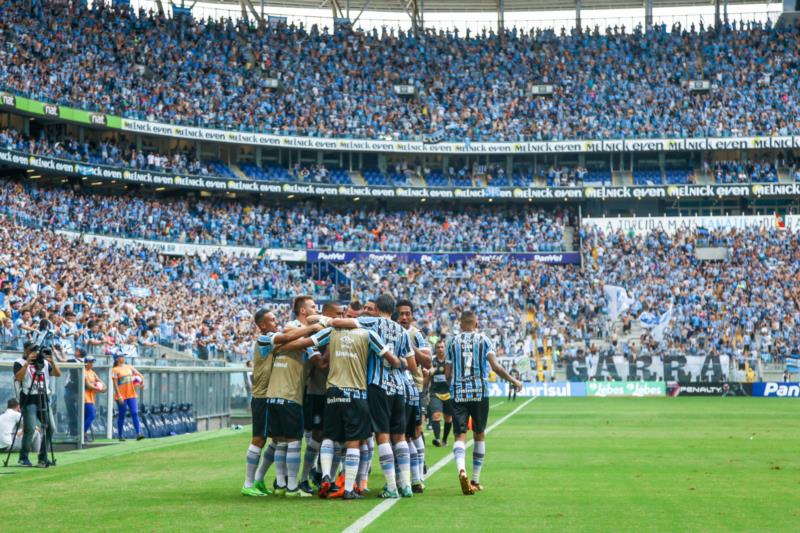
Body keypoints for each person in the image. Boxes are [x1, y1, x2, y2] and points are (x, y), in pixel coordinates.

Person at [289, 304, 398, 500]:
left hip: (332, 393)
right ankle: (349, 488)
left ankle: (326, 478)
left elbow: (307, 342)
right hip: (356, 393)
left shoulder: (332, 331)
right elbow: (391, 359)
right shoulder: (369, 333)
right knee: (354, 442)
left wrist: (280, 343)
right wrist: (401, 363)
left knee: (329, 437)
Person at [316, 293, 417, 498]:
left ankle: (390, 486)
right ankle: (405, 484)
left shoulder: (368, 322)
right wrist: (398, 363)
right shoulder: (403, 331)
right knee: (400, 437)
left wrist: (324, 319)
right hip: (399, 387)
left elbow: (340, 323)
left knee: (381, 436)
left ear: (377, 309)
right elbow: (413, 366)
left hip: (376, 385)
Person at [241, 307, 322, 497]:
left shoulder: (272, 339)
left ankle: (261, 479)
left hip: (269, 394)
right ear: (262, 325)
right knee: (259, 439)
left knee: (277, 440)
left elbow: (288, 338)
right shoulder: (264, 338)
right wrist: (313, 329)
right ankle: (248, 483)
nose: (276, 322)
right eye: (271, 319)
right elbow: (286, 338)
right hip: (262, 395)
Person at [446, 311, 522, 495]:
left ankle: (461, 470)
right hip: (479, 392)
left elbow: (448, 374)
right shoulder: (484, 340)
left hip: (458, 393)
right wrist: (514, 381)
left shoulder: (452, 342)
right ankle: (475, 480)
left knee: (460, 435)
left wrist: (455, 386)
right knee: (479, 434)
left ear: (460, 324)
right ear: (476, 323)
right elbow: (496, 367)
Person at [263, 297, 323, 498]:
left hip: (275, 395)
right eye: (313, 307)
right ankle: (291, 486)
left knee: (280, 441)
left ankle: (281, 484)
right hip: (289, 394)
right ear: (304, 311)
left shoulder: (288, 333)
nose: (316, 309)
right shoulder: (292, 325)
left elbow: (293, 344)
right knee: (293, 441)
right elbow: (291, 337)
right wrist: (315, 334)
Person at [396, 299, 432, 494]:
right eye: (401, 314)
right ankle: (410, 476)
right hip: (395, 389)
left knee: (414, 431)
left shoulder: (417, 335)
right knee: (403, 433)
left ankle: (417, 477)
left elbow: (427, 362)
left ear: (412, 315)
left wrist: (411, 347)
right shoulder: (392, 331)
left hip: (415, 389)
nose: (404, 317)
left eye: (407, 314)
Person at [13, 341, 60, 466]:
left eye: (35, 350)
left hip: (43, 396)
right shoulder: (19, 362)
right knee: (30, 428)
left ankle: (42, 457)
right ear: (25, 350)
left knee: (51, 427)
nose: (34, 352)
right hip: (29, 399)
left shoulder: (43, 362)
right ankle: (23, 458)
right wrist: (28, 362)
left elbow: (57, 374)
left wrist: (52, 361)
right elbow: (18, 377)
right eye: (31, 350)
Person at [111, 352, 145, 441]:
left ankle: (138, 433)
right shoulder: (114, 370)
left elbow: (140, 375)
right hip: (122, 396)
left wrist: (142, 383)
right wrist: (119, 395)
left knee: (134, 412)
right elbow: (115, 384)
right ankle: (120, 435)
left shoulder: (129, 367)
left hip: (131, 394)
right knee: (122, 414)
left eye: (123, 356)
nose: (123, 358)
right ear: (117, 359)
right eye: (121, 356)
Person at [429, 339, 454, 447]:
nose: (440, 349)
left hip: (448, 393)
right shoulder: (432, 361)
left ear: (445, 348)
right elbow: (427, 375)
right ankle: (437, 439)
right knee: (436, 415)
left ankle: (444, 439)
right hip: (435, 393)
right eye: (438, 347)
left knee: (448, 418)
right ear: (435, 349)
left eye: (442, 347)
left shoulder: (449, 362)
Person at [83, 356, 105, 441]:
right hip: (85, 397)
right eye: (90, 362)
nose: (91, 364)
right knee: (92, 415)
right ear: (85, 362)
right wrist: (99, 389)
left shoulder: (92, 372)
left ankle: (83, 435)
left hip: (91, 397)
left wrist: (104, 387)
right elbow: (88, 385)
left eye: (92, 362)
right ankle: (82, 433)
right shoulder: (83, 371)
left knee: (86, 417)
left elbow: (100, 381)